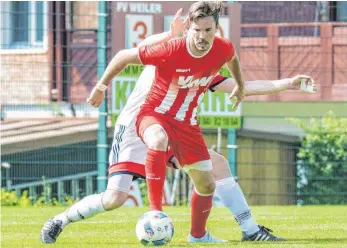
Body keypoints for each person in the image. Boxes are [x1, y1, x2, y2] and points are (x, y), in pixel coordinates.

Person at [41, 5, 316, 244]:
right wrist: (101, 86)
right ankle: (62, 220)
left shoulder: (205, 64)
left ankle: (244, 231)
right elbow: (129, 54)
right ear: (187, 32)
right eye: (196, 31)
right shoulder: (166, 52)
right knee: (115, 199)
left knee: (216, 167)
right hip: (137, 128)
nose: (201, 38)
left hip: (172, 130)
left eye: (208, 31)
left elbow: (243, 85)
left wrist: (288, 83)